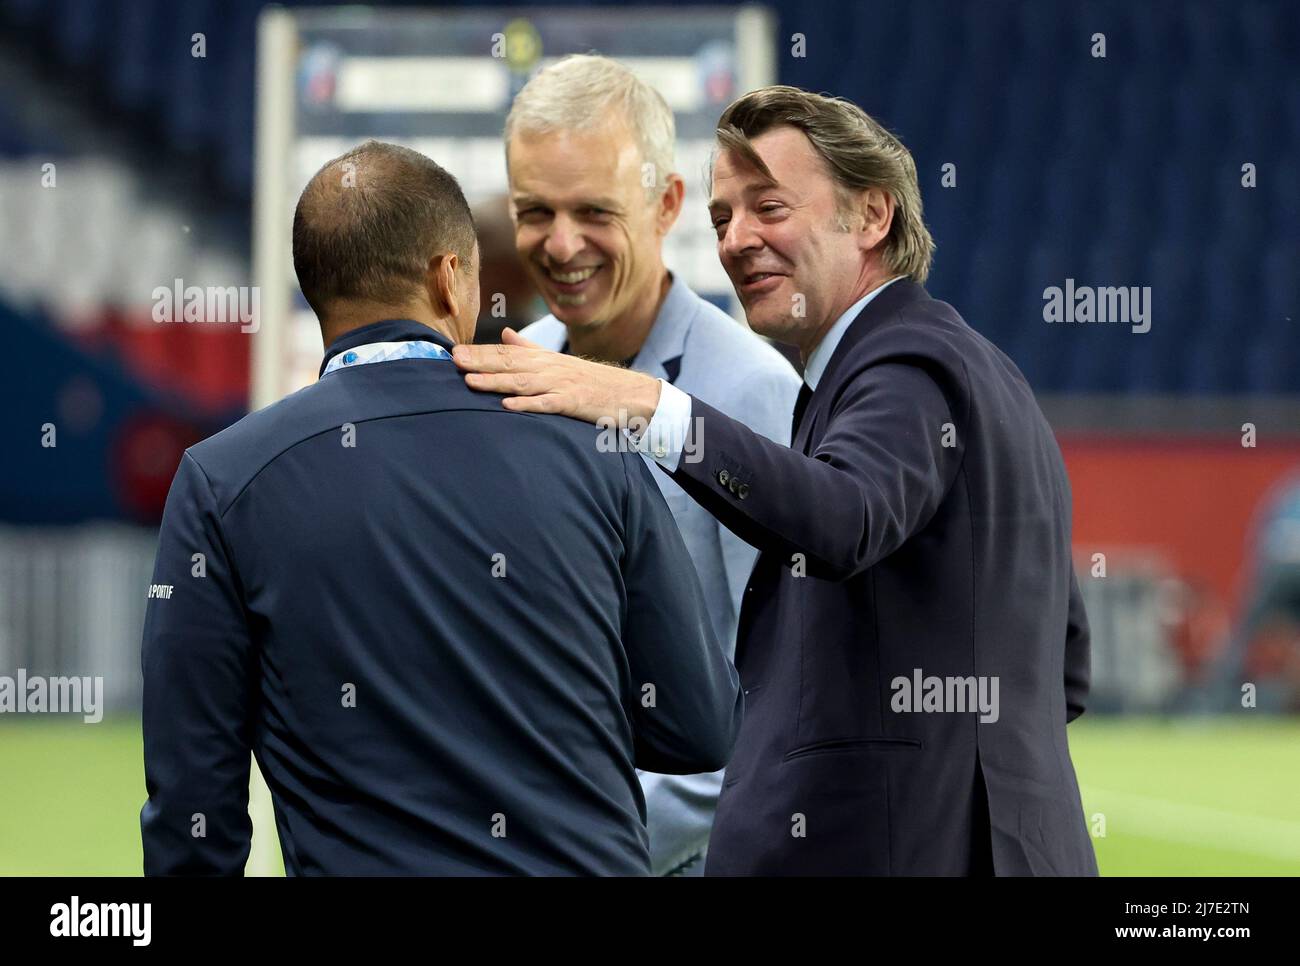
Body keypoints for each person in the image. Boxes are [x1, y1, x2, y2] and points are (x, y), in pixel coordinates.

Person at [453, 87, 1098, 876]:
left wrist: (648, 403)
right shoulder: (970, 368)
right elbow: (1064, 663)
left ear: (871, 217)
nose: (737, 239)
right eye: (724, 218)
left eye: (769, 206)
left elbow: (843, 517)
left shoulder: (904, 367)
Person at [139, 140, 741, 876]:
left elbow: (193, 811)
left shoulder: (223, 480)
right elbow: (701, 730)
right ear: (450, 279)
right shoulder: (595, 446)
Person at [503, 55, 800, 874]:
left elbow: (777, 712)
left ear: (667, 202)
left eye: (594, 210)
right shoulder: (510, 370)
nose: (561, 245)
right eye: (536, 212)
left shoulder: (750, 393)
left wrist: (585, 848)